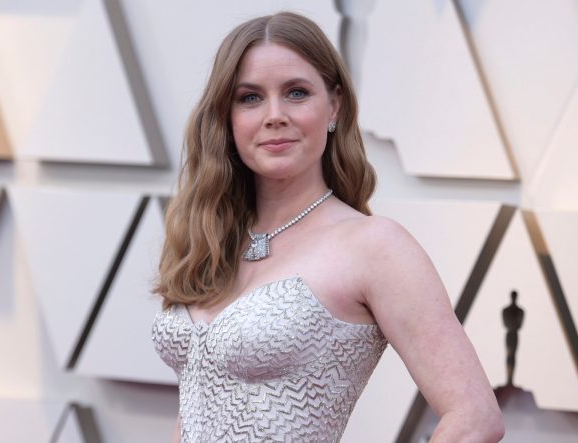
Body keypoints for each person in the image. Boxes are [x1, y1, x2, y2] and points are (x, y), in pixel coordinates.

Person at [151, 11, 504, 442]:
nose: (274, 114)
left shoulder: (374, 247)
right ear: (227, 115)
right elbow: (198, 405)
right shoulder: (211, 239)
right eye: (250, 97)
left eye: (296, 93)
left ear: (334, 105)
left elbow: (475, 418)